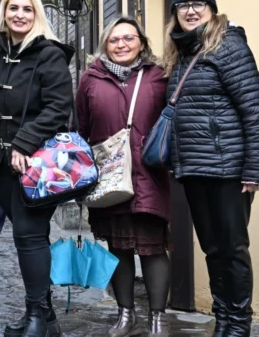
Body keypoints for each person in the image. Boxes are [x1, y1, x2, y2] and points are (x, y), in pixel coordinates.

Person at [161, 0, 259, 337]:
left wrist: (255, 172)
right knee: (212, 249)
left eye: (198, 4)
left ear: (211, 7)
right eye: (183, 5)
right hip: (195, 170)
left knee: (233, 249)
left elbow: (256, 110)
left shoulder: (228, 46)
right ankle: (223, 320)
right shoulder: (181, 53)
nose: (190, 11)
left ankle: (238, 326)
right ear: (175, 12)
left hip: (229, 171)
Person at [0, 0, 73, 337]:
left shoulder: (49, 54)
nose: (19, 14)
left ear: (37, 15)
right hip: (0, 165)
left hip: (36, 164)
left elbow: (57, 107)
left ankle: (37, 316)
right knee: (25, 237)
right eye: (13, 8)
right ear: (3, 13)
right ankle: (46, 319)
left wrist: (22, 142)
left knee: (30, 236)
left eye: (27, 9)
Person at [76, 17, 170, 337]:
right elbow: (83, 128)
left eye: (128, 38)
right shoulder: (90, 79)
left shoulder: (159, 77)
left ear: (141, 42)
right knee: (118, 248)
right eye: (114, 40)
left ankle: (158, 319)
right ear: (105, 45)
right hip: (108, 177)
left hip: (150, 175)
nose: (122, 45)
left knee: (153, 247)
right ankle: (125, 315)